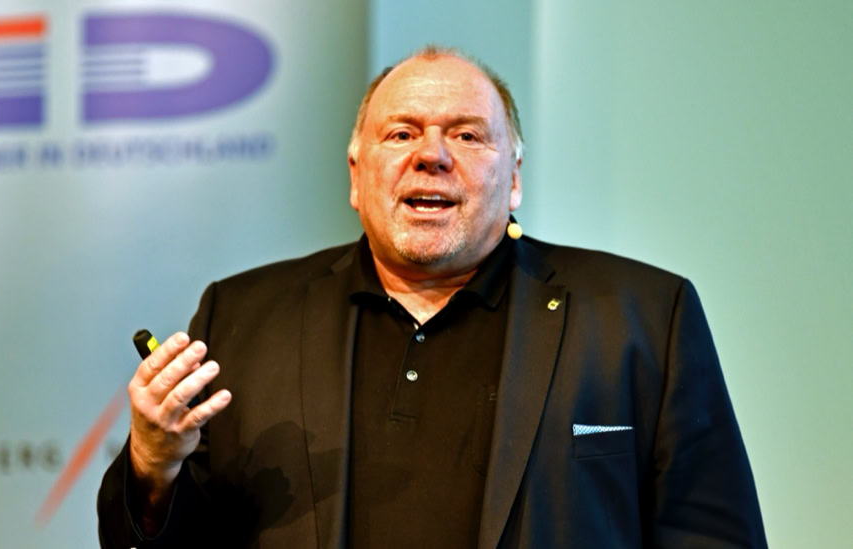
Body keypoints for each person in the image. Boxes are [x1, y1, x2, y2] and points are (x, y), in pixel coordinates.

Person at [98, 46, 767, 548]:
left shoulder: (642, 315)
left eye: (467, 134)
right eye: (402, 133)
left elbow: (713, 535)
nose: (433, 155)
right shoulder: (244, 316)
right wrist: (153, 466)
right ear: (357, 175)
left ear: (514, 179)